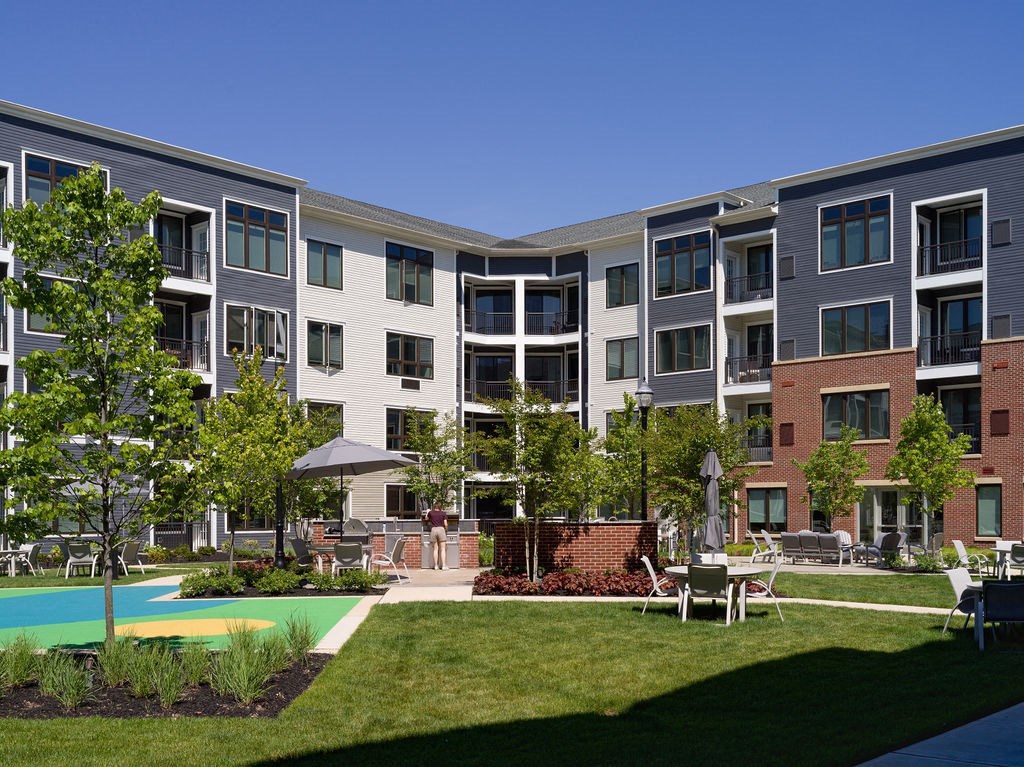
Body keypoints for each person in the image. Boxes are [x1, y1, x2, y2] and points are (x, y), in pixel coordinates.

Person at [426, 501, 448, 570]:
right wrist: (446, 530)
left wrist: (427, 512)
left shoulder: (431, 513)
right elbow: (446, 524)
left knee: (435, 549)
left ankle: (436, 566)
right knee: (443, 549)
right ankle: (444, 565)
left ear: (434, 506)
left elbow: (426, 518)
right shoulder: (443, 513)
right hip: (441, 529)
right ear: (440, 507)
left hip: (433, 530)